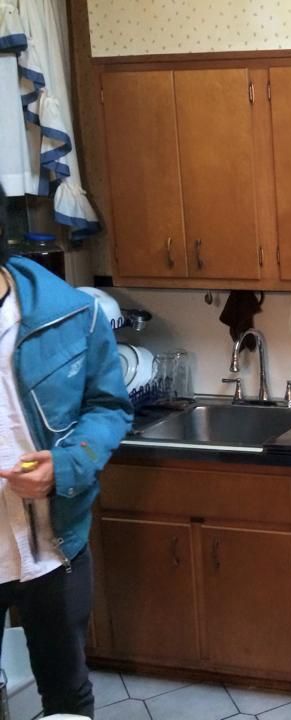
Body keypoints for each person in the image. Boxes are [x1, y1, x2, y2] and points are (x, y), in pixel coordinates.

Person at [0, 183, 132, 718]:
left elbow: (108, 406)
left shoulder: (70, 313)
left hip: (51, 544)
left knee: (66, 691)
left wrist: (68, 465)